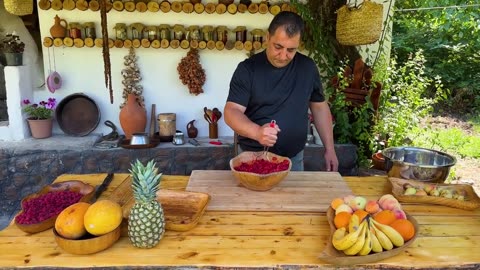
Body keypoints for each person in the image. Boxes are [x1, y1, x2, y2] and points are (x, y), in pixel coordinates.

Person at [224, 11, 338, 172]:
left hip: (294, 159)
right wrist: (257, 132)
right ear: (267, 37)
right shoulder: (248, 69)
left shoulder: (307, 68)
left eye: (291, 50)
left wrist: (330, 149)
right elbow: (231, 111)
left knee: (293, 198)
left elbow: (319, 107)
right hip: (254, 158)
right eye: (278, 47)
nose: (283, 56)